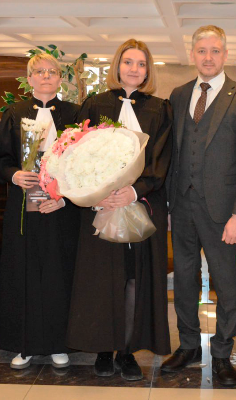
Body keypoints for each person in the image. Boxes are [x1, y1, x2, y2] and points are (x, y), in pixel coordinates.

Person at [66, 39, 172, 381]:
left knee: (133, 276)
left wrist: (133, 190)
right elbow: (78, 153)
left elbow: (162, 159)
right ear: (117, 65)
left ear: (148, 70)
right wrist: (100, 194)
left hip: (142, 204)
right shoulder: (95, 104)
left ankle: (127, 351)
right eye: (128, 62)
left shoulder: (160, 109)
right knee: (101, 278)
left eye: (141, 64)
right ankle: (103, 348)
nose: (134, 69)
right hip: (100, 205)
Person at [163, 25, 236, 386]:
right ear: (192, 54)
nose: (208, 57)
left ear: (225, 54)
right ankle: (188, 345)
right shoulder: (178, 95)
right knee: (184, 280)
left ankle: (221, 352)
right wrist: (168, 204)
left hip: (223, 211)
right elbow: (173, 152)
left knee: (226, 282)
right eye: (202, 51)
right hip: (182, 205)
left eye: (215, 51)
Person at [0, 53, 81, 370]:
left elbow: (83, 165)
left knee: (59, 271)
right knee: (24, 271)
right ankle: (26, 344)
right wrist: (14, 174)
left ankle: (58, 344)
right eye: (39, 71)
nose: (45, 76)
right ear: (29, 79)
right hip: (24, 205)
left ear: (60, 79)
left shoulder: (74, 114)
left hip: (61, 206)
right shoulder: (14, 113)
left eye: (52, 71)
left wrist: (64, 197)